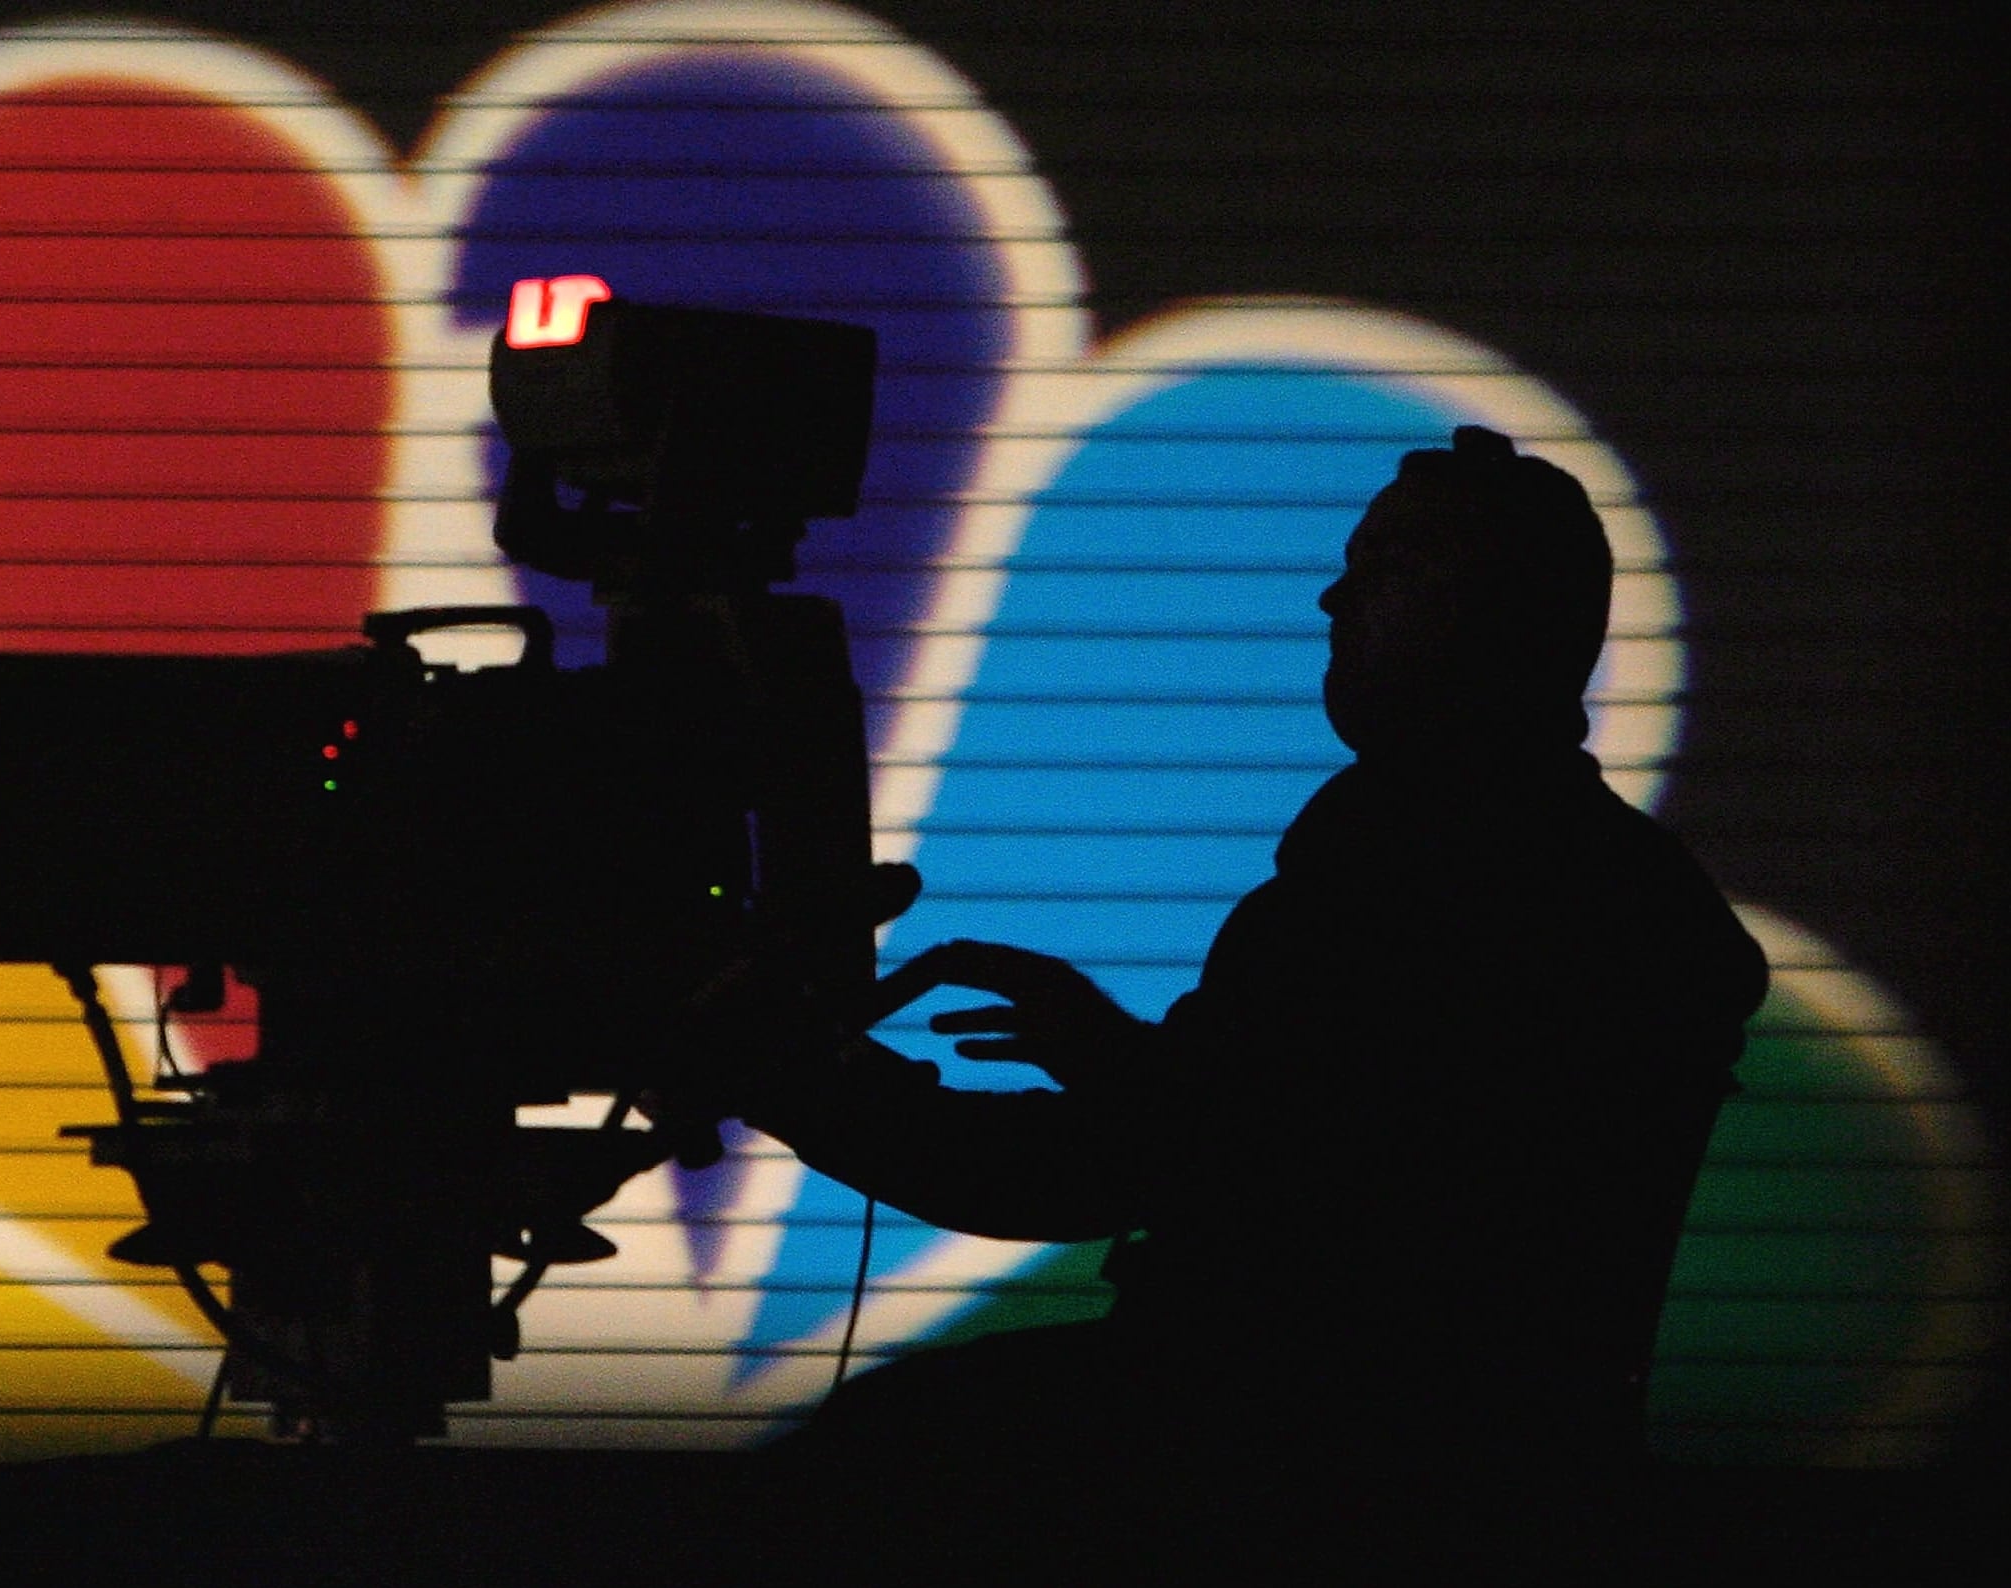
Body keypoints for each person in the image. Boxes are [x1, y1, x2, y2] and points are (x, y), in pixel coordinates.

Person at [709, 425, 1769, 1481]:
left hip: (1295, 1460)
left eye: (1384, 569)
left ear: (1486, 610)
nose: (1332, 602)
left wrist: (795, 1078)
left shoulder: (1409, 878)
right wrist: (1113, 1051)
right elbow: (1293, 1131)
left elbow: (1108, 1170)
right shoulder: (1604, 881)